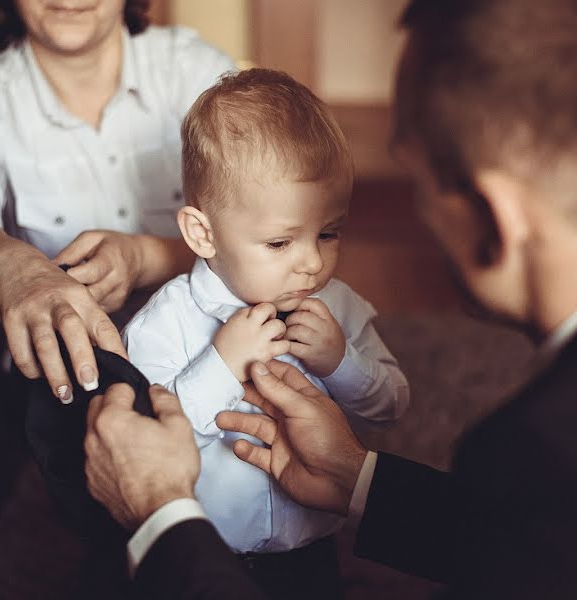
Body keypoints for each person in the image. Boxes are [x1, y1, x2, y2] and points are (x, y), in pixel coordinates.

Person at [84, 0, 577, 598]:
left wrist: (160, 511)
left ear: (495, 216)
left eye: (415, 180)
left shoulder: (548, 453)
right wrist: (359, 481)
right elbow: (553, 539)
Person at [0, 0, 235, 537]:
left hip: (226, 350)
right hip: (77, 390)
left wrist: (147, 257)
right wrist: (10, 265)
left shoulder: (195, 70)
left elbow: (281, 209)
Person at [121, 68, 409, 599]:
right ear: (202, 233)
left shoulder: (336, 306)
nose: (312, 262)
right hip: (206, 554)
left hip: (312, 550)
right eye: (280, 243)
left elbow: (390, 406)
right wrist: (220, 366)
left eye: (328, 232)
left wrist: (341, 363)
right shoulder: (167, 323)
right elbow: (141, 446)